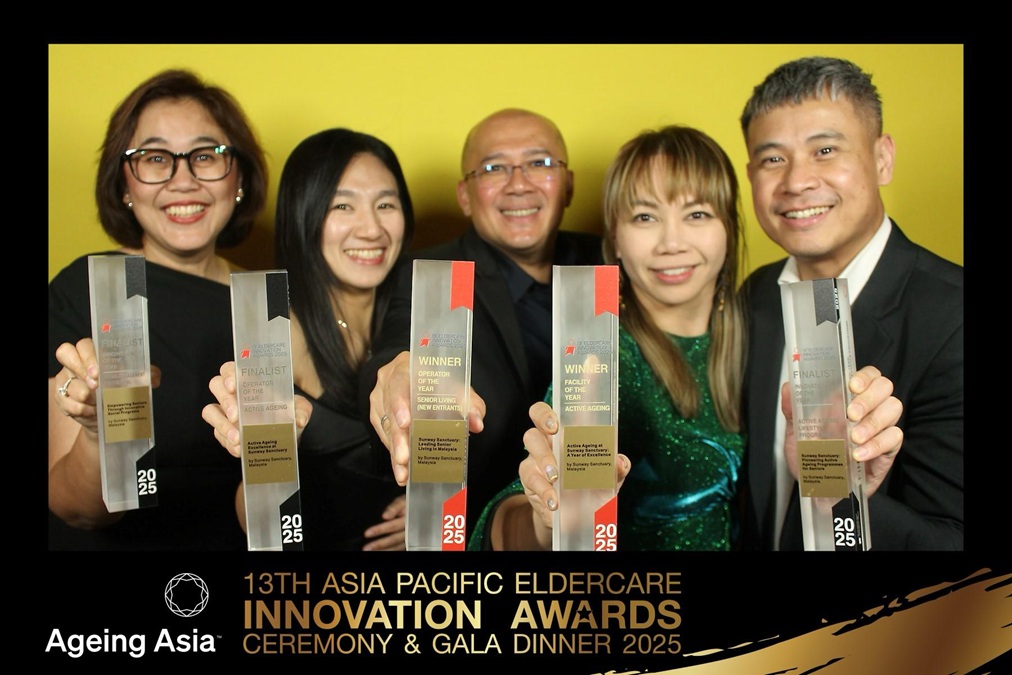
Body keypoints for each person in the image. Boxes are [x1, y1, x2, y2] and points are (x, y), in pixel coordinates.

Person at [469, 125, 749, 550]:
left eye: (696, 214)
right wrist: (546, 520)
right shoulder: (602, 353)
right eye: (645, 217)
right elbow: (521, 518)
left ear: (728, 226)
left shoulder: (761, 331)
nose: (671, 243)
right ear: (615, 238)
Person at [738, 56, 962, 551]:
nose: (796, 181)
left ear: (882, 158)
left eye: (824, 149)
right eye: (772, 158)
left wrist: (840, 499)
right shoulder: (753, 297)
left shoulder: (954, 317)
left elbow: (955, 542)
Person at [49, 69, 268, 550]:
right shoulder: (84, 289)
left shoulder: (270, 307)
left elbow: (274, 502)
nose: (183, 180)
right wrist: (96, 434)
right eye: (155, 158)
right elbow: (75, 510)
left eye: (206, 156)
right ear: (124, 184)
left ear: (239, 178)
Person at [364, 108, 602, 541]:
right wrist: (400, 372)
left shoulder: (614, 260)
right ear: (465, 196)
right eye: (494, 168)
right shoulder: (430, 274)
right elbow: (400, 350)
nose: (519, 183)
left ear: (568, 185)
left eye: (540, 163)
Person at [202, 129, 413, 550]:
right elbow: (252, 519)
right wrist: (266, 459)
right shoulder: (274, 333)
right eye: (343, 205)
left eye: (386, 204)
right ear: (304, 214)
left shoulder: (422, 321)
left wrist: (432, 510)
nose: (371, 228)